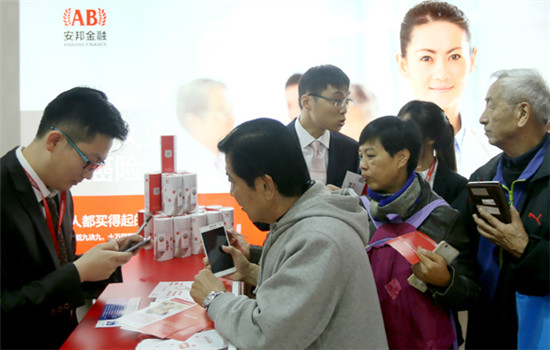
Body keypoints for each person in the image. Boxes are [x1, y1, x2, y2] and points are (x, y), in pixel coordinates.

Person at [190, 118, 388, 349]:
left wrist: (214, 298)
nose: (232, 193)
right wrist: (251, 266)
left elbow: (266, 336)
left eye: (233, 181)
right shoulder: (300, 218)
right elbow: (303, 291)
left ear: (266, 185)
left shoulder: (320, 240)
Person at [1, 87, 144, 349]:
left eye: (97, 165)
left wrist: (104, 261)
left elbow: (54, 270)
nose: (89, 175)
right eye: (88, 162)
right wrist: (78, 272)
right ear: (54, 141)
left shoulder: (59, 191)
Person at [359, 116, 478, 349]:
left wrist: (445, 280)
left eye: (371, 155)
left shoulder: (443, 217)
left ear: (402, 157)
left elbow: (471, 293)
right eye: (360, 155)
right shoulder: (356, 213)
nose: (363, 164)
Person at [465, 69, 549, 349]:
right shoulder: (481, 177)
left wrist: (524, 247)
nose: (482, 118)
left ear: (523, 113)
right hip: (488, 328)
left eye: (491, 104)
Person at [397, 0, 498, 178]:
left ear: (472, 60)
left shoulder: (494, 153)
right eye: (426, 58)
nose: (442, 73)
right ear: (403, 64)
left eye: (454, 56)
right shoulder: (376, 150)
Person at [287, 64, 359, 187]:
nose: (344, 109)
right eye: (337, 100)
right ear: (306, 102)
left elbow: (354, 201)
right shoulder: (277, 145)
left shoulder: (351, 150)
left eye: (346, 101)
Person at [398, 100, 468, 206]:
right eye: (398, 129)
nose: (400, 136)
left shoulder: (457, 186)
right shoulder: (389, 177)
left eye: (408, 129)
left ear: (431, 137)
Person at [176, 78, 235, 193]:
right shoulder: (183, 167)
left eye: (230, 110)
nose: (231, 119)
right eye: (222, 111)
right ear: (193, 120)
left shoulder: (227, 157)